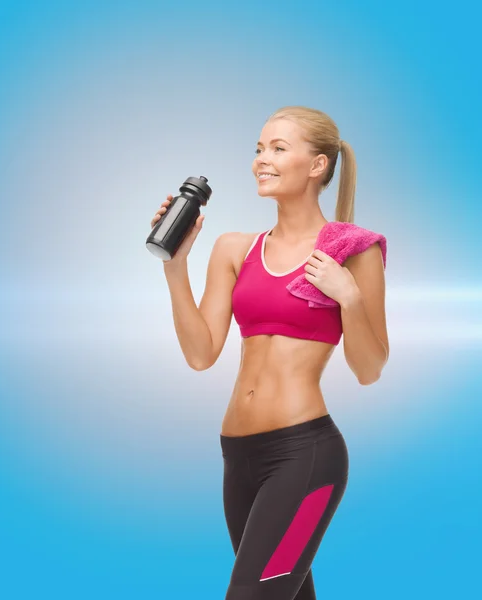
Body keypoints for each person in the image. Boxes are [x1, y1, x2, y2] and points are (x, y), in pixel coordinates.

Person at [150, 106, 389, 600]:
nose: (262, 159)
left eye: (279, 148)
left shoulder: (351, 253)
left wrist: (348, 296)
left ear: (318, 165)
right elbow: (201, 353)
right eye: (259, 149)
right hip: (237, 457)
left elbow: (369, 368)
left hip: (306, 459)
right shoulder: (234, 248)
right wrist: (176, 268)